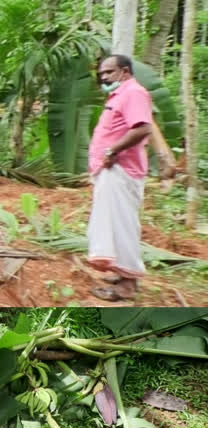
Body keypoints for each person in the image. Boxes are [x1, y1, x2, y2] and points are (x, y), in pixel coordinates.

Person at [86, 54, 153, 301]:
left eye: (109, 72)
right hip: (111, 170)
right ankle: (122, 274)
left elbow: (142, 128)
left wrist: (113, 150)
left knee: (122, 226)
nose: (104, 77)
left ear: (124, 71)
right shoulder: (120, 94)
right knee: (114, 225)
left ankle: (127, 286)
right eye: (102, 74)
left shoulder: (133, 93)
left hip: (122, 170)